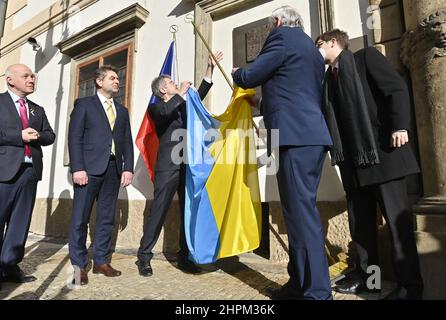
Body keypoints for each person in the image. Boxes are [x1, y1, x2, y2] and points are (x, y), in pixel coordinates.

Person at [232, 6, 333, 300]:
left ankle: (318, 293)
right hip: (306, 136)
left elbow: (252, 74)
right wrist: (260, 104)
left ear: (277, 22)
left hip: (296, 138)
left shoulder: (282, 38)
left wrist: (239, 73)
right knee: (296, 213)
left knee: (302, 215)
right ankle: (299, 284)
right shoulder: (308, 48)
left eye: (270, 25)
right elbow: (293, 92)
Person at [316, 29, 423, 300]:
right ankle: (370, 280)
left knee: (398, 229)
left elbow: (395, 88)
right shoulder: (328, 79)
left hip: (384, 156)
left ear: (332, 42)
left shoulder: (366, 59)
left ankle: (409, 288)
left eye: (319, 44)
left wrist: (400, 126)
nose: (316, 49)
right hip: (353, 166)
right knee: (361, 230)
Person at [136, 52, 223, 277]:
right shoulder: (156, 108)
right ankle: (144, 257)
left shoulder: (182, 104)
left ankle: (185, 257)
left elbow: (199, 97)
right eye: (172, 83)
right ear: (163, 89)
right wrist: (182, 92)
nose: (176, 84)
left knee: (188, 212)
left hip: (188, 165)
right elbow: (165, 113)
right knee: (158, 211)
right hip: (168, 165)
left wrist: (209, 70)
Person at [68, 65, 134, 285]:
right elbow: (74, 137)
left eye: (117, 78)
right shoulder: (84, 105)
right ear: (99, 81)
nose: (117, 81)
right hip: (87, 171)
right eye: (113, 78)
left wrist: (128, 168)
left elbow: (126, 142)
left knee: (106, 219)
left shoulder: (122, 110)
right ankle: (79, 267)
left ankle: (101, 261)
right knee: (80, 219)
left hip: (113, 171)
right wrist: (77, 167)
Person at [0, 64, 55, 287]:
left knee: (20, 222)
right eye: (26, 76)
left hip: (29, 172)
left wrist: (37, 135)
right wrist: (18, 135)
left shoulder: (37, 109)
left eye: (32, 76)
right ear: (10, 80)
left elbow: (50, 135)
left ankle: (9, 265)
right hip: (3, 172)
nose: (32, 79)